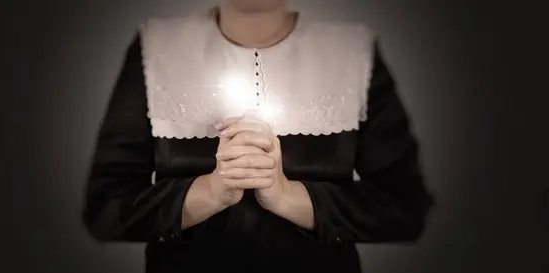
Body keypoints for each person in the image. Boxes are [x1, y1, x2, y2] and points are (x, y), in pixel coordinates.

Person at [82, 0, 434, 272]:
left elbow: (403, 208)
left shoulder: (352, 51)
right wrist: (211, 191)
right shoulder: (156, 48)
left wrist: (288, 196)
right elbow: (106, 209)